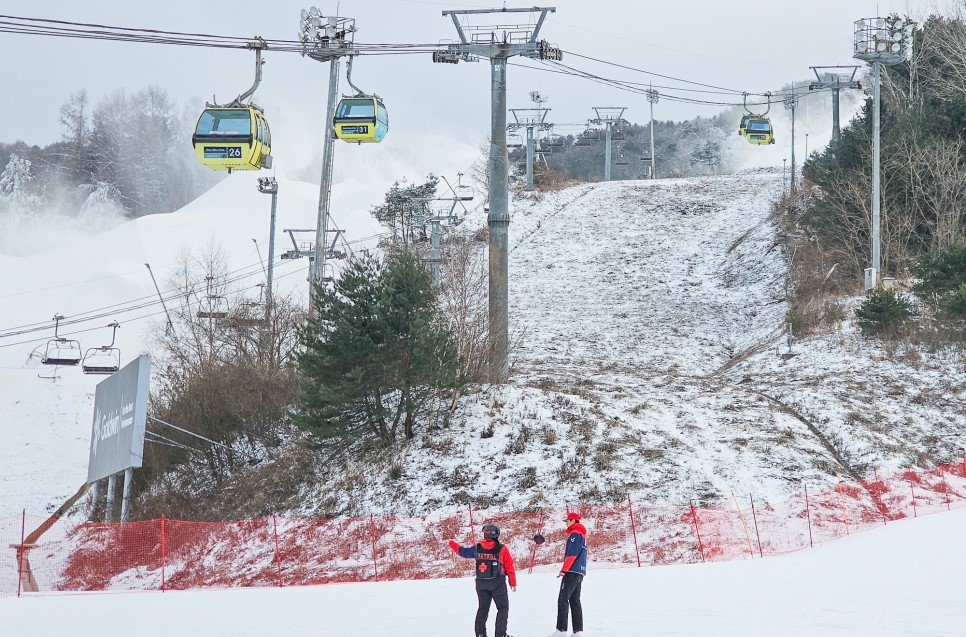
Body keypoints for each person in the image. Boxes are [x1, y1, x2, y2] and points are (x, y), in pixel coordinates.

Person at [449, 523, 517, 637]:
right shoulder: (502, 549)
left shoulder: (477, 547)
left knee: (483, 609)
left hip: (481, 584)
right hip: (498, 584)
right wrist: (512, 582)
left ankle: (480, 634)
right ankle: (501, 635)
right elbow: (510, 566)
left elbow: (463, 552)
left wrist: (451, 543)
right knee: (502, 608)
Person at [549, 512, 587, 637]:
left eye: (567, 521)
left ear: (573, 521)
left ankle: (561, 631)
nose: (566, 523)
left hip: (571, 571)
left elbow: (572, 554)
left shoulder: (574, 535)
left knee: (563, 599)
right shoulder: (582, 535)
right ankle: (577, 631)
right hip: (580, 572)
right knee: (575, 600)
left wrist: (564, 570)